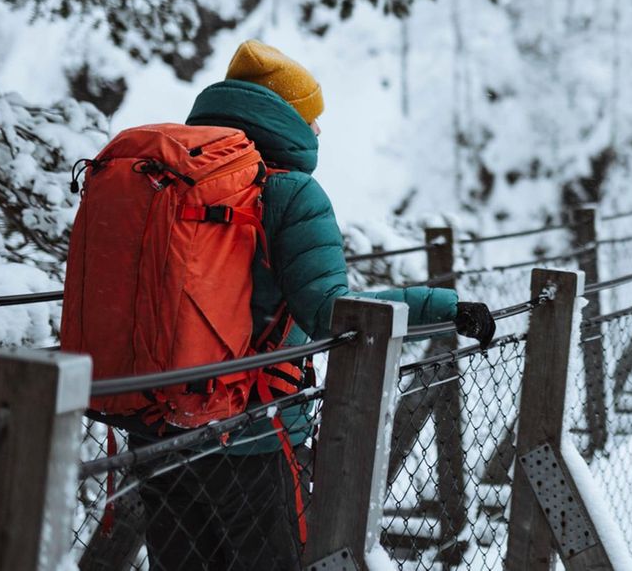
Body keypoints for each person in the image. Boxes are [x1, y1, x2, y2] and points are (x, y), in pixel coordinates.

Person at [133, 39, 495, 570]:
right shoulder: (291, 192)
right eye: (312, 117)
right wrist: (445, 308)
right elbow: (331, 312)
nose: (319, 129)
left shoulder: (163, 175)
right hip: (247, 430)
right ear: (286, 118)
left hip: (153, 423)